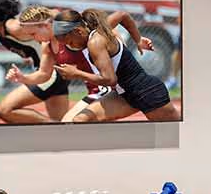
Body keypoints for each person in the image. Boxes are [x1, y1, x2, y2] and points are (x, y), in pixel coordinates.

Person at [45, 9, 182, 123]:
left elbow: (110, 80)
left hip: (146, 92)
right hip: (124, 95)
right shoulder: (98, 29)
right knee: (82, 119)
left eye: (69, 42)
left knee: (176, 133)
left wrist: (76, 74)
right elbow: (122, 15)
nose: (70, 46)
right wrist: (138, 39)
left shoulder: (95, 43)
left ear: (78, 32)